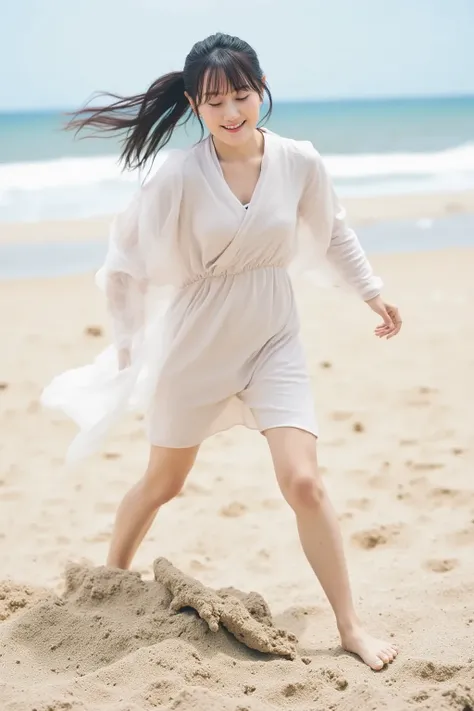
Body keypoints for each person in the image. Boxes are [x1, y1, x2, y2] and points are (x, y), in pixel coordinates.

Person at [43, 33, 402, 670]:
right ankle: (112, 581)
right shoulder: (178, 175)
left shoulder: (300, 161)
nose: (232, 111)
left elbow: (334, 231)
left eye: (242, 94)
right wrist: (126, 341)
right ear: (193, 105)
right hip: (196, 345)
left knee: (305, 482)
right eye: (215, 101)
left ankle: (350, 625)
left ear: (261, 90)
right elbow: (126, 259)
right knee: (163, 483)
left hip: (273, 336)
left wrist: (372, 294)